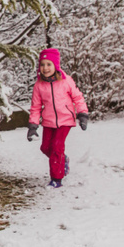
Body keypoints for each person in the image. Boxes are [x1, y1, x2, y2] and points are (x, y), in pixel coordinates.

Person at [26, 48, 89, 188]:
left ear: (56, 65)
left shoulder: (66, 81)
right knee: (45, 147)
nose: (45, 68)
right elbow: (35, 107)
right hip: (48, 121)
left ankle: (56, 178)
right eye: (42, 64)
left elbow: (78, 98)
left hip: (65, 120)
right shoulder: (39, 85)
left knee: (56, 148)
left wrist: (83, 114)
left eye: (49, 64)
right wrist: (33, 126)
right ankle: (63, 160)